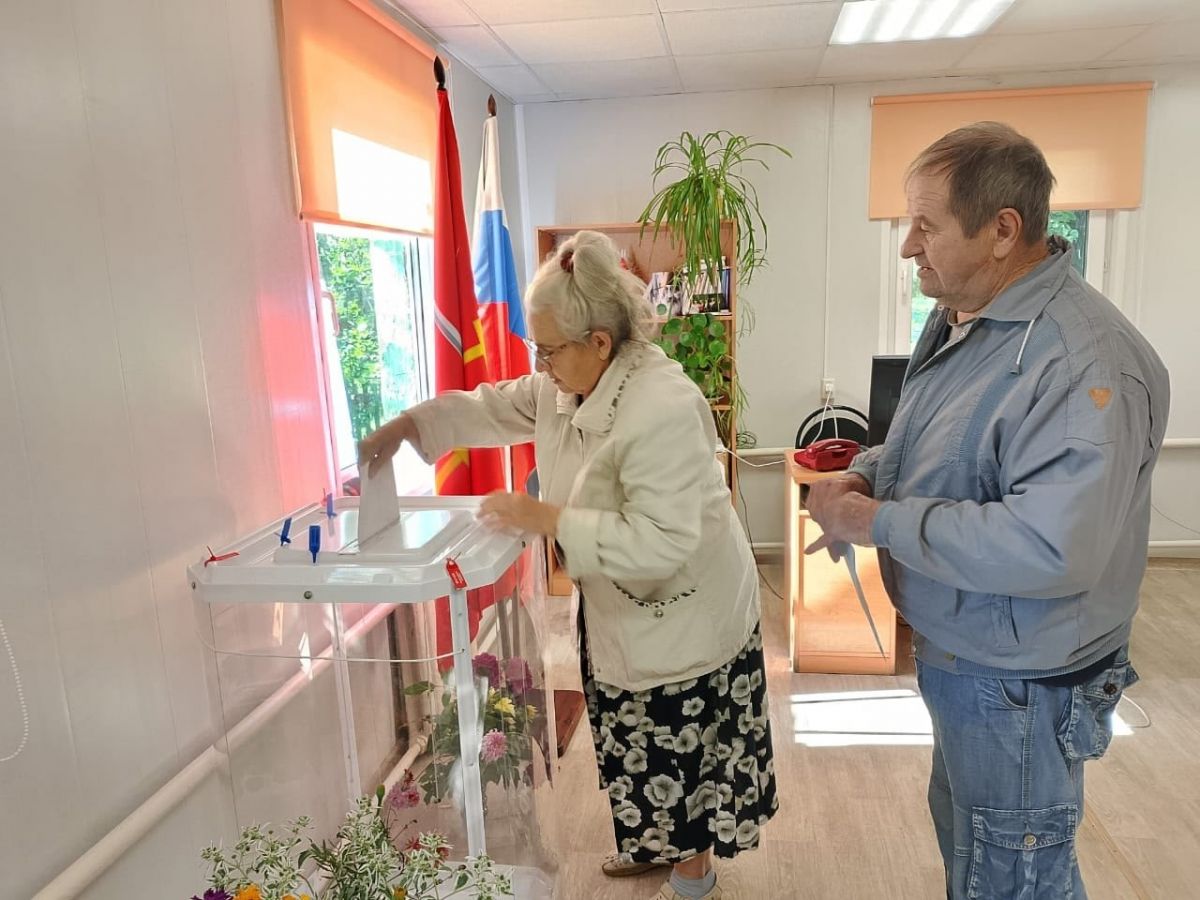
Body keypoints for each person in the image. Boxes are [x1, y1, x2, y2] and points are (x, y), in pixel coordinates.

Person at [807, 122, 1169, 900]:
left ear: (1003, 229)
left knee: (1013, 878)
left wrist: (875, 523)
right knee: (981, 854)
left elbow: (1049, 546)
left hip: (1024, 682)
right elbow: (937, 440)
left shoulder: (1081, 361)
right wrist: (865, 475)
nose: (909, 246)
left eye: (926, 225)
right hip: (974, 657)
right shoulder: (967, 316)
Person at [359, 230, 777, 900]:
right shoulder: (567, 383)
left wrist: (547, 520)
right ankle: (651, 844)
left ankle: (693, 875)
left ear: (600, 343)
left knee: (682, 750)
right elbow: (496, 404)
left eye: (548, 349)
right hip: (620, 608)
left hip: (686, 615)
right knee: (632, 741)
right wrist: (410, 426)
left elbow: (662, 545)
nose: (539, 361)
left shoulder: (661, 409)